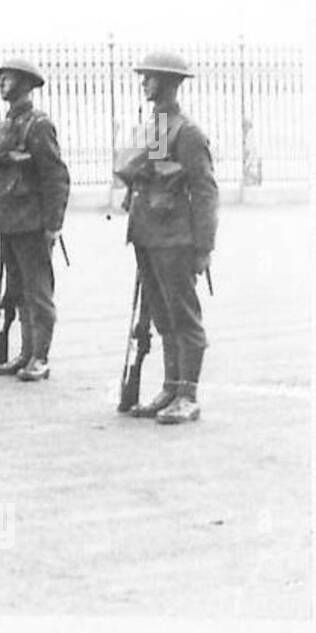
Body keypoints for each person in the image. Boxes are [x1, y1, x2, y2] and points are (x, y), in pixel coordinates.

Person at [115, 51, 218, 423]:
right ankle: (171, 386)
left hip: (176, 238)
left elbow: (204, 190)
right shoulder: (158, 127)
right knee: (162, 316)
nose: (143, 82)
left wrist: (204, 246)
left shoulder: (186, 131)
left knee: (183, 316)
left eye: (150, 77)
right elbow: (150, 173)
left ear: (168, 82)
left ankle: (188, 394)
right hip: (149, 235)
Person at [0, 58, 70, 381]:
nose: (1, 83)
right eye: (1, 78)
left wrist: (53, 224)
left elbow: (55, 176)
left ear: (24, 82)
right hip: (10, 221)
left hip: (32, 222)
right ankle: (25, 352)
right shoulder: (7, 124)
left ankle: (40, 356)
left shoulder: (38, 124)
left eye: (7, 78)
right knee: (16, 289)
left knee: (37, 292)